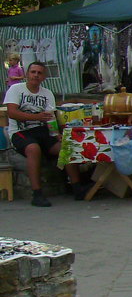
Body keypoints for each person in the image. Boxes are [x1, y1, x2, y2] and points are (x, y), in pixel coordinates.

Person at [4, 61, 88, 206]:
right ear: (27, 74)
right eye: (33, 72)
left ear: (44, 77)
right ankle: (37, 194)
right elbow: (12, 113)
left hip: (43, 131)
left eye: (39, 73)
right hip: (21, 131)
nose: (36, 75)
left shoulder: (47, 93)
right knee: (33, 149)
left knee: (65, 146)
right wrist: (36, 117)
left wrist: (57, 134)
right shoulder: (16, 89)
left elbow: (51, 118)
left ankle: (76, 187)